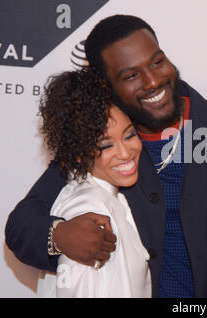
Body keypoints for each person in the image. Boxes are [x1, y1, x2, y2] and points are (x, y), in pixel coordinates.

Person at [5, 15, 207, 298]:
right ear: (106, 86)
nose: (153, 81)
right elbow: (22, 224)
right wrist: (59, 236)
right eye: (130, 76)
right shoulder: (103, 146)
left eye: (157, 61)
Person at [35, 69, 151, 297]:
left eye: (129, 135)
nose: (125, 153)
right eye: (106, 146)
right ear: (79, 153)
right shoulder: (89, 211)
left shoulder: (114, 198)